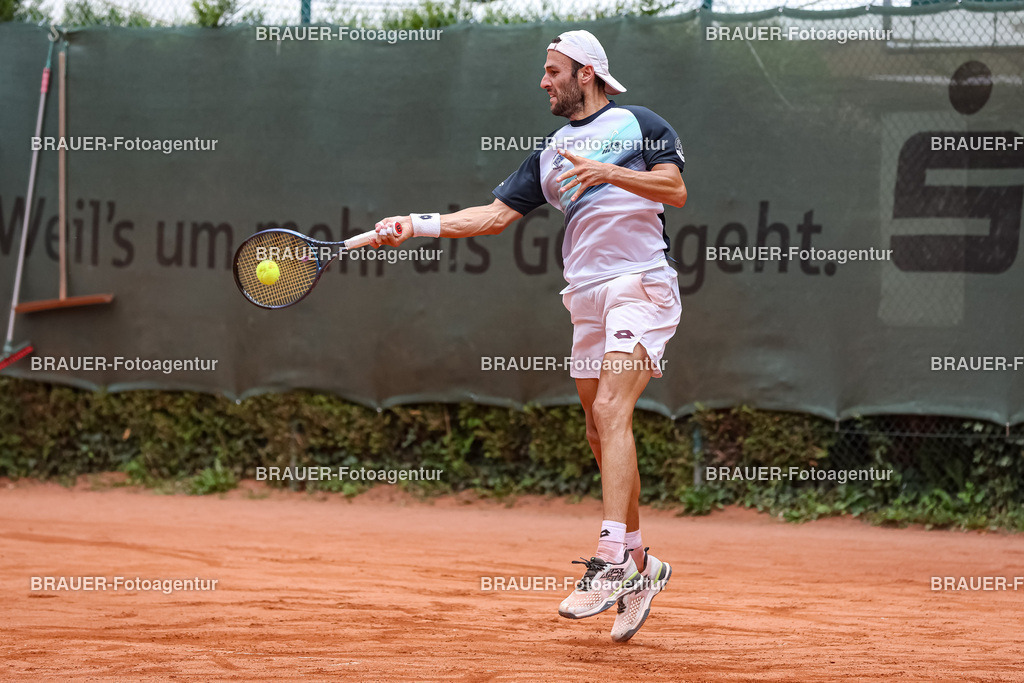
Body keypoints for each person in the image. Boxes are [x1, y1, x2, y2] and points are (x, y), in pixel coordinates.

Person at [371, 29, 686, 642]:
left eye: (552, 71)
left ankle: (610, 561)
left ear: (585, 74)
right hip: (586, 297)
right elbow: (492, 218)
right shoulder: (548, 154)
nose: (543, 81)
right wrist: (415, 225)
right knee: (599, 429)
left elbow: (674, 189)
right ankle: (642, 565)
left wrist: (606, 173)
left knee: (616, 410)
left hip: (639, 286)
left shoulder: (639, 123)